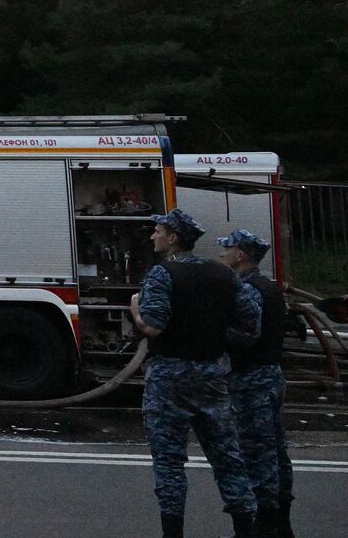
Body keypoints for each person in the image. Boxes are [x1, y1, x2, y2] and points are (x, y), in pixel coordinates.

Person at [129, 208, 261, 538]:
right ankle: (246, 528)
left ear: (173, 238)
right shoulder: (224, 274)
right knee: (228, 459)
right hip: (213, 378)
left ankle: (173, 532)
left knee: (169, 462)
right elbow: (251, 325)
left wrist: (134, 308)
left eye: (158, 230)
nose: (152, 235)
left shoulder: (163, 274)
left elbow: (153, 327)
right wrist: (216, 336)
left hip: (169, 381)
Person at [218, 229, 295, 537]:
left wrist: (213, 332)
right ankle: (281, 520)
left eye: (228, 248)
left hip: (251, 380)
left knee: (256, 451)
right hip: (271, 375)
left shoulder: (248, 290)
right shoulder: (268, 287)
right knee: (276, 449)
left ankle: (264, 523)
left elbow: (247, 336)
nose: (222, 253)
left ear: (242, 256)